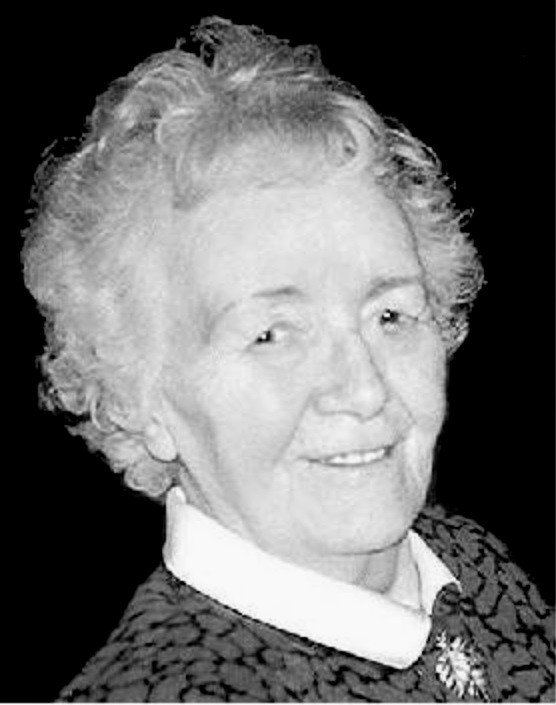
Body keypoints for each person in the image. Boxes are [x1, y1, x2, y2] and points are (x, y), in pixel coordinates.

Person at [22, 16, 554, 703]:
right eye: (273, 335)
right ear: (138, 396)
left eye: (390, 315)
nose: (364, 388)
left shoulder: (467, 562)